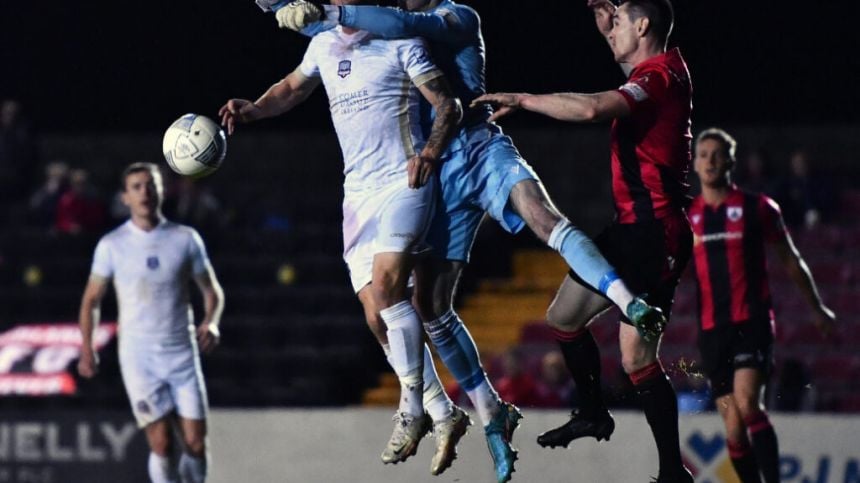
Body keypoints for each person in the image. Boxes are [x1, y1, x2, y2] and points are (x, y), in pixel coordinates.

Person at [266, 1, 670, 480]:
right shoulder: (385, 30)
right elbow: (330, 34)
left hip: (481, 147)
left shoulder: (457, 16)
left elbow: (389, 22)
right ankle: (491, 415)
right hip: (440, 172)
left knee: (544, 220)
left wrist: (327, 12)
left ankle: (630, 302)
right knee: (430, 305)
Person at [218, 1, 469, 475]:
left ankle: (411, 410)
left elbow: (447, 104)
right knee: (376, 315)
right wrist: (252, 109)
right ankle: (443, 411)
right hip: (357, 194)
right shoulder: (322, 45)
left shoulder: (401, 41)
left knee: (390, 286)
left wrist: (431, 153)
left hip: (404, 179)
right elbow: (291, 89)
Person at [473, 0, 694, 480]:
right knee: (566, 320)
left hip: (657, 232)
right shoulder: (655, 67)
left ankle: (669, 469)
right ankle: (598, 416)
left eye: (619, 22)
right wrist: (606, 26)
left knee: (632, 353)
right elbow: (626, 57)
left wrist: (525, 100)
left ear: (643, 24)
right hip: (635, 228)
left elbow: (595, 107)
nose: (610, 30)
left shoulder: (660, 77)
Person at [688, 128, 835, 482]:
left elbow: (790, 259)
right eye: (703, 154)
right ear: (693, 163)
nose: (709, 160)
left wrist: (817, 307)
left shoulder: (758, 209)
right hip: (712, 331)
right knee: (734, 428)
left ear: (730, 162)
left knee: (747, 403)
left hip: (750, 323)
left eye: (716, 154)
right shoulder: (688, 217)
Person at [77, 162, 225, 483]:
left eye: (150, 185)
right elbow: (91, 301)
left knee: (196, 443)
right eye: (136, 187)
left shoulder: (185, 239)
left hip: (181, 352)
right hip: (139, 356)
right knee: (162, 442)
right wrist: (87, 348)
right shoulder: (112, 245)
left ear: (161, 190)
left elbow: (211, 290)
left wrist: (211, 321)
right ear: (125, 197)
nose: (144, 192)